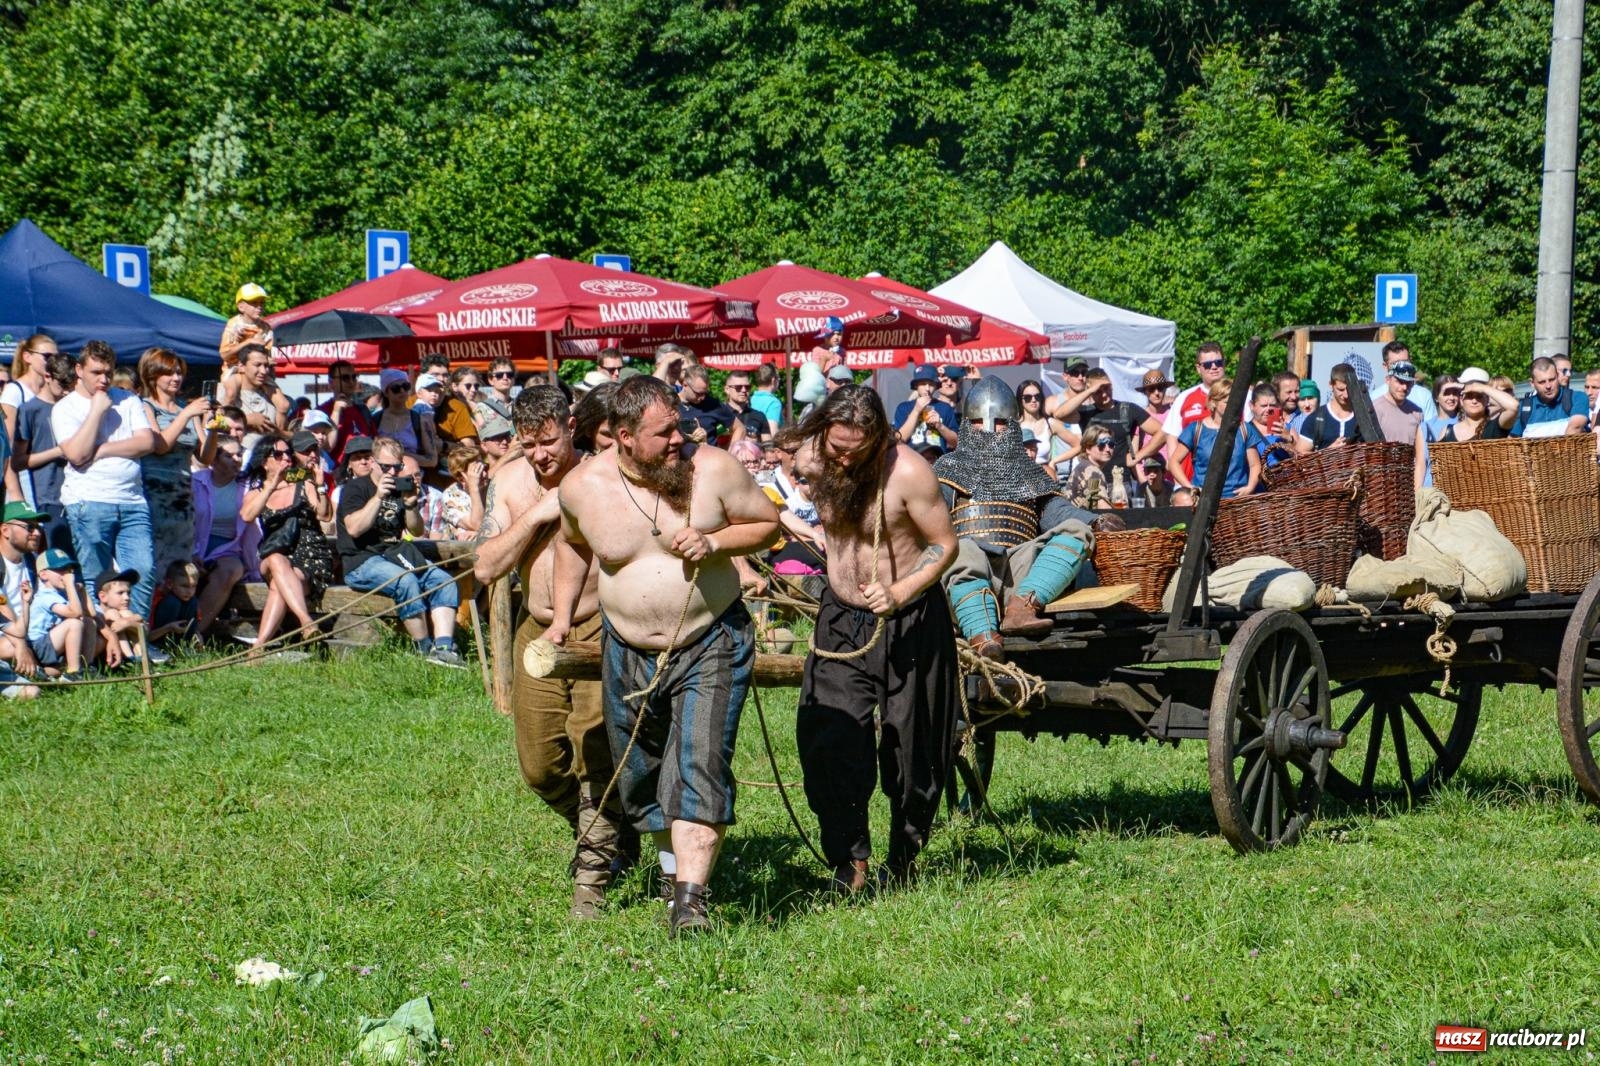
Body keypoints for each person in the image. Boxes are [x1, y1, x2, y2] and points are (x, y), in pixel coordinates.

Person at [545, 376, 780, 935]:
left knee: (699, 762)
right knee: (641, 777)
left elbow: (768, 524)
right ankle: (674, 875)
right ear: (623, 436)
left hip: (711, 639)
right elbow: (572, 546)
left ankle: (690, 903)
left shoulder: (714, 469)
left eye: (678, 424)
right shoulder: (583, 487)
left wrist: (716, 542)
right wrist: (559, 619)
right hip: (626, 649)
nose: (680, 437)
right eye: (664, 431)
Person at [780, 384, 957, 893]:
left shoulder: (909, 473)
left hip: (909, 620)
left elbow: (945, 544)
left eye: (857, 450)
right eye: (837, 447)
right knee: (829, 739)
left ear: (880, 437)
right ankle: (850, 860)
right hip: (840, 618)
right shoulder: (814, 457)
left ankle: (903, 857)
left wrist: (899, 591)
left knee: (911, 749)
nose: (845, 458)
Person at [473, 386, 634, 918]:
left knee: (595, 756)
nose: (540, 454)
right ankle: (607, 834)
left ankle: (592, 876)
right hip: (535, 629)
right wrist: (540, 513)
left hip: (599, 626)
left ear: (569, 427)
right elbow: (485, 566)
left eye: (549, 441)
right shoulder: (511, 483)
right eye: (529, 444)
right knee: (540, 767)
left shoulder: (600, 476)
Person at [935, 377, 1100, 652]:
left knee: (1077, 530)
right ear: (966, 425)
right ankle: (982, 634)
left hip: (1018, 574)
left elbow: (1058, 512)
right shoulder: (948, 468)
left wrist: (1096, 520)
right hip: (964, 577)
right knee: (962, 548)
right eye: (978, 422)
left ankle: (1023, 609)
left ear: (1012, 425)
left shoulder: (1030, 473)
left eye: (999, 422)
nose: (988, 429)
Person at [52, 341, 157, 617]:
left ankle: (137, 643)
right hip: (89, 500)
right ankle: (104, 643)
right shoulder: (65, 408)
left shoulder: (128, 399)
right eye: (96, 372)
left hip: (132, 501)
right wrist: (97, 410)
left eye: (108, 373)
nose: (104, 379)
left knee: (143, 571)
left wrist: (102, 450)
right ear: (79, 370)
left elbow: (146, 442)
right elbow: (76, 454)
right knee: (97, 577)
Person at [337, 436, 463, 665]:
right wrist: (378, 497)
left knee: (443, 580)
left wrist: (411, 504)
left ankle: (444, 649)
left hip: (395, 554)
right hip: (361, 561)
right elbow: (354, 529)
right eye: (386, 467)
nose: (392, 473)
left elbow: (415, 530)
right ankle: (423, 651)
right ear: (373, 462)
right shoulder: (355, 488)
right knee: (406, 582)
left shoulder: (399, 487)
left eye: (396, 467)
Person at [242, 432, 336, 652]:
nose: (286, 458)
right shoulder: (256, 492)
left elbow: (324, 515)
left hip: (310, 557)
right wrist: (272, 485)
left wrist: (320, 486)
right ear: (264, 461)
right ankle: (306, 622)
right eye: (278, 454)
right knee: (276, 559)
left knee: (278, 586)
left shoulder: (305, 484)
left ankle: (259, 647)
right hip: (274, 554)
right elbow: (247, 516)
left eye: (288, 453)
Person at [138, 348, 213, 579]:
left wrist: (213, 430)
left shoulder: (186, 410)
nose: (176, 378)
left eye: (179, 372)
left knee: (180, 566)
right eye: (169, 373)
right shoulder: (145, 407)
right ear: (152, 375)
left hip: (182, 497)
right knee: (156, 565)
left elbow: (205, 458)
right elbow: (160, 445)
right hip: (155, 496)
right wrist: (187, 414)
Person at [191, 436, 260, 635]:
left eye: (239, 454)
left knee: (229, 571)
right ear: (213, 460)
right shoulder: (195, 482)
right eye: (229, 455)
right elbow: (186, 522)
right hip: (193, 546)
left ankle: (194, 633)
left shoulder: (248, 486)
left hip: (228, 548)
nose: (237, 459)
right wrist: (192, 553)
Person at [14, 351, 74, 551]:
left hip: (76, 494)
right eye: (63, 385)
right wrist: (58, 451)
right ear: (47, 377)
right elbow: (18, 461)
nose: (67, 392)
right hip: (47, 497)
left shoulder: (74, 406)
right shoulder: (30, 410)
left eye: (71, 385)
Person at [1051, 368, 1167, 472]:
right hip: (1091, 479)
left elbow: (1162, 433)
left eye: (1107, 388)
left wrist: (1137, 457)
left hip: (1121, 481)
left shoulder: (1128, 409)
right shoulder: (1086, 413)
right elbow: (1059, 414)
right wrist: (1089, 391)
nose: (1104, 394)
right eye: (1098, 391)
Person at [1169, 380, 1261, 502]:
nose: (1233, 405)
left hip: (1237, 501)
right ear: (1213, 403)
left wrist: (1249, 487)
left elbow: (1255, 464)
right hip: (1203, 501)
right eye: (1227, 402)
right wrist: (1190, 488)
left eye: (1235, 401)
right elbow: (1174, 462)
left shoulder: (1244, 429)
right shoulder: (1196, 429)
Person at [2, 333, 56, 506]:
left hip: (47, 480)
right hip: (23, 480)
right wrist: (16, 494)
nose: (53, 362)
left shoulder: (51, 392)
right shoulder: (14, 391)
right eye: (47, 356)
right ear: (28, 357)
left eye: (56, 357)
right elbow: (6, 447)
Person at [1160, 342, 1228, 470]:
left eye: (1218, 363)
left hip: (1232, 480)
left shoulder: (1243, 395)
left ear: (1223, 364)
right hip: (1191, 480)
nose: (1214, 367)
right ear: (1198, 368)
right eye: (1207, 365)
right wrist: (1176, 473)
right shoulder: (1184, 398)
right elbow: (1172, 435)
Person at [29, 548, 96, 678]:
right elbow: (75, 613)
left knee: (89, 622)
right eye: (60, 569)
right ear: (43, 575)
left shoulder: (62, 593)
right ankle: (73, 672)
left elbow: (91, 614)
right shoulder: (45, 595)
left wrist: (81, 590)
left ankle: (87, 667)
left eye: (69, 569)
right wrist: (70, 586)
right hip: (37, 646)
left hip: (51, 644)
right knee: (74, 623)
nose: (67, 574)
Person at [373, 368, 438, 468]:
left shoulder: (420, 420)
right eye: (396, 388)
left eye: (405, 386)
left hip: (412, 478)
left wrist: (400, 456)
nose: (402, 391)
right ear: (386, 393)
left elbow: (432, 460)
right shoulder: (375, 420)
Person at [220, 344, 290, 435]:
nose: (264, 371)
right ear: (241, 366)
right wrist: (247, 420)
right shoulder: (225, 390)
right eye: (257, 365)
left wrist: (278, 432)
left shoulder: (271, 394)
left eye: (266, 366)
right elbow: (212, 426)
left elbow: (284, 433)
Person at [1294, 364, 1366, 453]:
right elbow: (1299, 455)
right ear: (1331, 385)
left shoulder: (1363, 416)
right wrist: (1327, 452)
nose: (1346, 395)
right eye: (1341, 390)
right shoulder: (1316, 419)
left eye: (1349, 389)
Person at [1513, 355, 1590, 438]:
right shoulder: (1524, 407)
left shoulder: (1577, 398)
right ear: (1532, 383)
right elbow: (1512, 441)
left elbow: (1575, 428)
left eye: (1552, 379)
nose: (1548, 386)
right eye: (1542, 382)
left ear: (1557, 376)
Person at [892, 365, 959, 457]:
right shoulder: (903, 408)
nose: (927, 388)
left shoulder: (945, 408)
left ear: (936, 385)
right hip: (912, 462)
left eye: (931, 384)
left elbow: (956, 442)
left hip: (938, 463)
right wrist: (916, 410)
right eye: (923, 384)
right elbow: (899, 439)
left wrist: (939, 425)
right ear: (916, 385)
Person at [316, 363, 376, 462]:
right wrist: (336, 412)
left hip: (365, 468)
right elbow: (326, 447)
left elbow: (375, 440)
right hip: (338, 472)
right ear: (331, 383)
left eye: (354, 377)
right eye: (345, 378)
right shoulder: (321, 412)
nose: (351, 381)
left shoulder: (362, 409)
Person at [1438, 369, 1518, 442]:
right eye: (1469, 396)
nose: (1474, 401)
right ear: (1462, 400)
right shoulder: (1447, 432)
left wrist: (1481, 388)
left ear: (1487, 400)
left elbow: (1514, 406)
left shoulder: (1495, 426)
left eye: (1479, 396)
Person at [1016, 381, 1075, 477]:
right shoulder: (1013, 426)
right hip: (1020, 479)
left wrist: (1054, 461)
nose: (1033, 400)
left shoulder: (1050, 423)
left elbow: (1079, 445)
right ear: (1020, 400)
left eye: (1037, 396)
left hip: (1045, 477)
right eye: (1028, 398)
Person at [676, 364, 741, 444]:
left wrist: (732, 452)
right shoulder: (671, 404)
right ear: (685, 384)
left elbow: (739, 428)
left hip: (709, 454)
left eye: (705, 393)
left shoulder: (713, 404)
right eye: (698, 393)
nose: (703, 398)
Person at [219, 283, 274, 374]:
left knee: (274, 388)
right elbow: (225, 355)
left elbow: (268, 355)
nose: (259, 307)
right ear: (241, 307)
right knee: (233, 384)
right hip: (234, 369)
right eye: (254, 303)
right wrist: (249, 341)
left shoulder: (266, 328)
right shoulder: (234, 325)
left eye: (262, 302)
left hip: (257, 372)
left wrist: (269, 361)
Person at [1371, 357, 1426, 445]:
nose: (1404, 387)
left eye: (1409, 383)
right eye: (1400, 381)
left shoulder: (1417, 412)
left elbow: (1420, 451)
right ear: (1388, 380)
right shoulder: (1374, 409)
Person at [1381, 341, 1437, 421]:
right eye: (1396, 363)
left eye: (1405, 361)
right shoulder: (1375, 397)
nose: (1402, 366)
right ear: (1385, 366)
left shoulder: (1423, 396)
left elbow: (1431, 429)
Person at [150, 560, 203, 646]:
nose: (190, 591)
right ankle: (161, 646)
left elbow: (195, 622)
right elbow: (147, 635)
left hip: (179, 638)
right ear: (170, 584)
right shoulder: (156, 597)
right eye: (185, 586)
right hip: (158, 636)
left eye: (193, 586)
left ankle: (187, 645)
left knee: (193, 601)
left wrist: (197, 634)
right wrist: (168, 628)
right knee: (173, 602)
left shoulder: (191, 599)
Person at [1244, 382, 1293, 473]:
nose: (1268, 410)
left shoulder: (1286, 427)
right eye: (1263, 406)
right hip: (1261, 484)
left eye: (1272, 405)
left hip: (1288, 481)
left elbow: (1301, 456)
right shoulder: (1245, 430)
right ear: (1251, 406)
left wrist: (1289, 439)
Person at [721, 371, 772, 443]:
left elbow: (769, 449)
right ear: (727, 389)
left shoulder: (759, 416)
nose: (744, 390)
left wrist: (756, 444)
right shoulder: (718, 414)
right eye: (738, 387)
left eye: (747, 387)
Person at [476, 357, 517, 424]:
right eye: (499, 375)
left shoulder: (519, 405)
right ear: (490, 380)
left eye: (509, 374)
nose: (505, 378)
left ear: (513, 379)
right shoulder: (482, 407)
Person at [1425, 375, 1462, 442]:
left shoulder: (1465, 422)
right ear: (1436, 397)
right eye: (1446, 393)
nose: (1451, 398)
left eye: (1455, 393)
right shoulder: (1427, 426)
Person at [750, 363, 783, 429]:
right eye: (778, 379)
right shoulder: (773, 403)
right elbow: (772, 432)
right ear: (773, 380)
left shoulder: (750, 399)